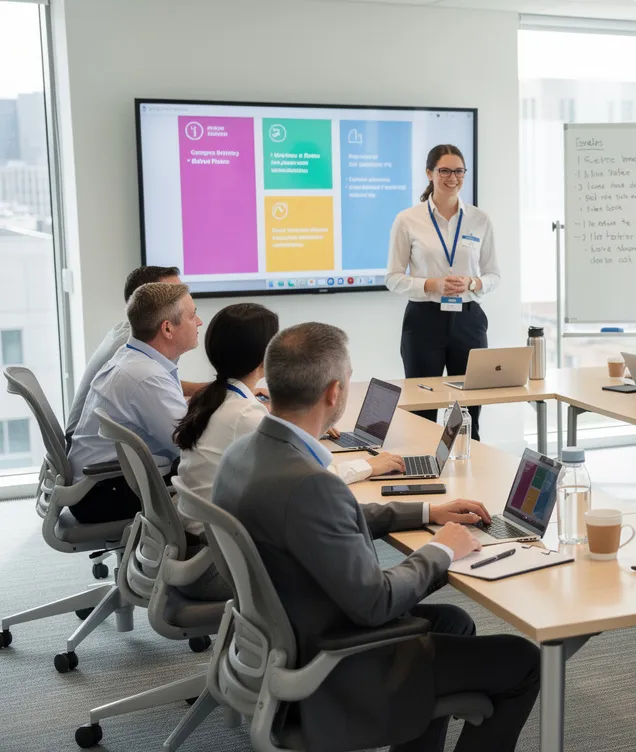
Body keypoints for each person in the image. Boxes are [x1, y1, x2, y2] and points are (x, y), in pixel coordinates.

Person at [213, 323, 539, 752]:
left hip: (284, 634)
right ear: (334, 393)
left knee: (453, 623)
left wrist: (427, 511)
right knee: (524, 662)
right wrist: (441, 549)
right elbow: (376, 602)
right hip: (336, 662)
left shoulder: (245, 453)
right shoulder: (310, 484)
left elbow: (323, 521)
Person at [173, 303, 407, 507]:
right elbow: (313, 478)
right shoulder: (245, 415)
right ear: (264, 356)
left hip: (201, 522)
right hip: (216, 538)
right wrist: (368, 465)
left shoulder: (214, 397)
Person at [386, 144, 500, 438]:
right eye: (444, 171)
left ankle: (469, 469)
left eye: (458, 171)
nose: (453, 178)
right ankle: (420, 466)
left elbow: (493, 275)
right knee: (423, 406)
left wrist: (474, 284)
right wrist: (430, 284)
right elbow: (393, 277)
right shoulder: (408, 219)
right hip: (424, 320)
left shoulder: (480, 219)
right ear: (430, 173)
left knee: (469, 406)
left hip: (468, 320)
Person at [67, 282, 202, 523]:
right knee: (216, 479)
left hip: (101, 483)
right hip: (106, 493)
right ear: (168, 329)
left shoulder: (132, 357)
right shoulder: (147, 377)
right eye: (192, 316)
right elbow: (188, 444)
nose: (199, 322)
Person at [67, 265, 207, 431]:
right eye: (171, 293)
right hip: (97, 445)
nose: (181, 297)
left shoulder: (135, 341)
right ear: (147, 298)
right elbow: (183, 440)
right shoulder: (136, 353)